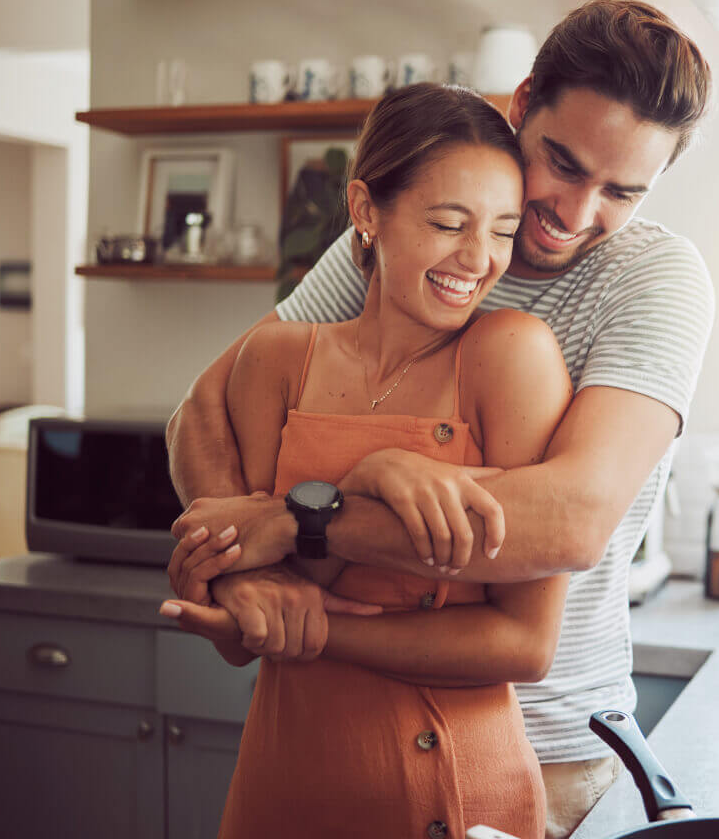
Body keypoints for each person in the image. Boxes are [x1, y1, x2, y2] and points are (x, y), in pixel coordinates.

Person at [161, 0, 714, 839]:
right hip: (339, 732)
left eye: (621, 192)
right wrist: (246, 577)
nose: (574, 211)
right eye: (562, 164)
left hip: (548, 750)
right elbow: (204, 411)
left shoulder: (654, 279)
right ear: (521, 104)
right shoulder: (424, 234)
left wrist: (300, 521)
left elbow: (568, 521)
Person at [189, 82, 573, 838]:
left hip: (461, 793)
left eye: (501, 230)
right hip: (286, 784)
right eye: (447, 223)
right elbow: (250, 624)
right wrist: (354, 485)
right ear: (367, 212)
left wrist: (317, 630)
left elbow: (525, 645)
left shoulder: (510, 357)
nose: (479, 259)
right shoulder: (274, 361)